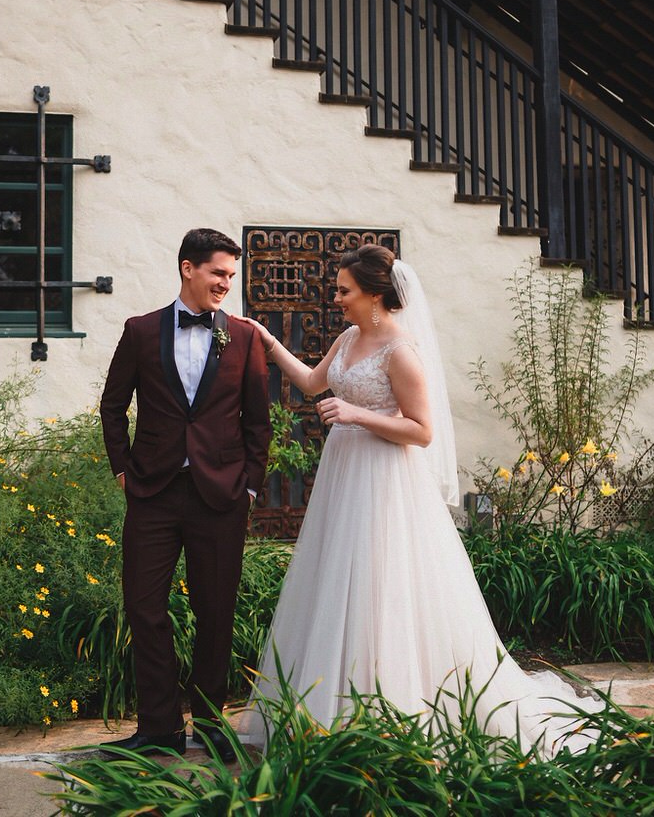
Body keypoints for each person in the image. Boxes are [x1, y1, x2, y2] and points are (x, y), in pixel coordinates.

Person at [236, 244, 594, 753]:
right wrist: (267, 340)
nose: (336, 298)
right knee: (337, 577)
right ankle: (333, 706)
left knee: (381, 581)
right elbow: (314, 382)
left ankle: (391, 708)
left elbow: (421, 431)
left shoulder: (401, 352)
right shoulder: (348, 337)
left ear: (375, 294)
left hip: (384, 480)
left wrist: (358, 416)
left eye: (344, 291)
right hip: (344, 474)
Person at [99, 228, 272, 761]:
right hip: (152, 492)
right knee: (144, 607)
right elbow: (112, 406)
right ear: (187, 268)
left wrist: (248, 486)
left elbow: (257, 422)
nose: (226, 283)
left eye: (230, 275)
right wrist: (122, 469)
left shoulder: (243, 336)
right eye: (219, 273)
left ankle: (212, 722)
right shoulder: (140, 330)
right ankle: (160, 727)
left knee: (215, 610)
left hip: (219, 497)